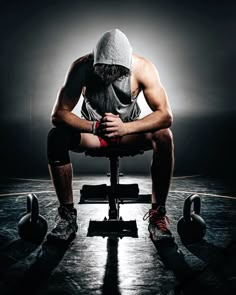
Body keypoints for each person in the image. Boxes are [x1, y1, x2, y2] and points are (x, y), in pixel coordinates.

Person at [47, 29, 174, 242]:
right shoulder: (81, 67)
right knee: (56, 136)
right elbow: (58, 114)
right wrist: (94, 126)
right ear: (94, 60)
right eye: (104, 69)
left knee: (164, 136)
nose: (110, 74)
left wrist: (124, 128)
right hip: (93, 134)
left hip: (128, 133)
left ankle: (157, 216)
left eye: (116, 71)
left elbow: (165, 115)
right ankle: (67, 217)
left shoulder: (143, 68)